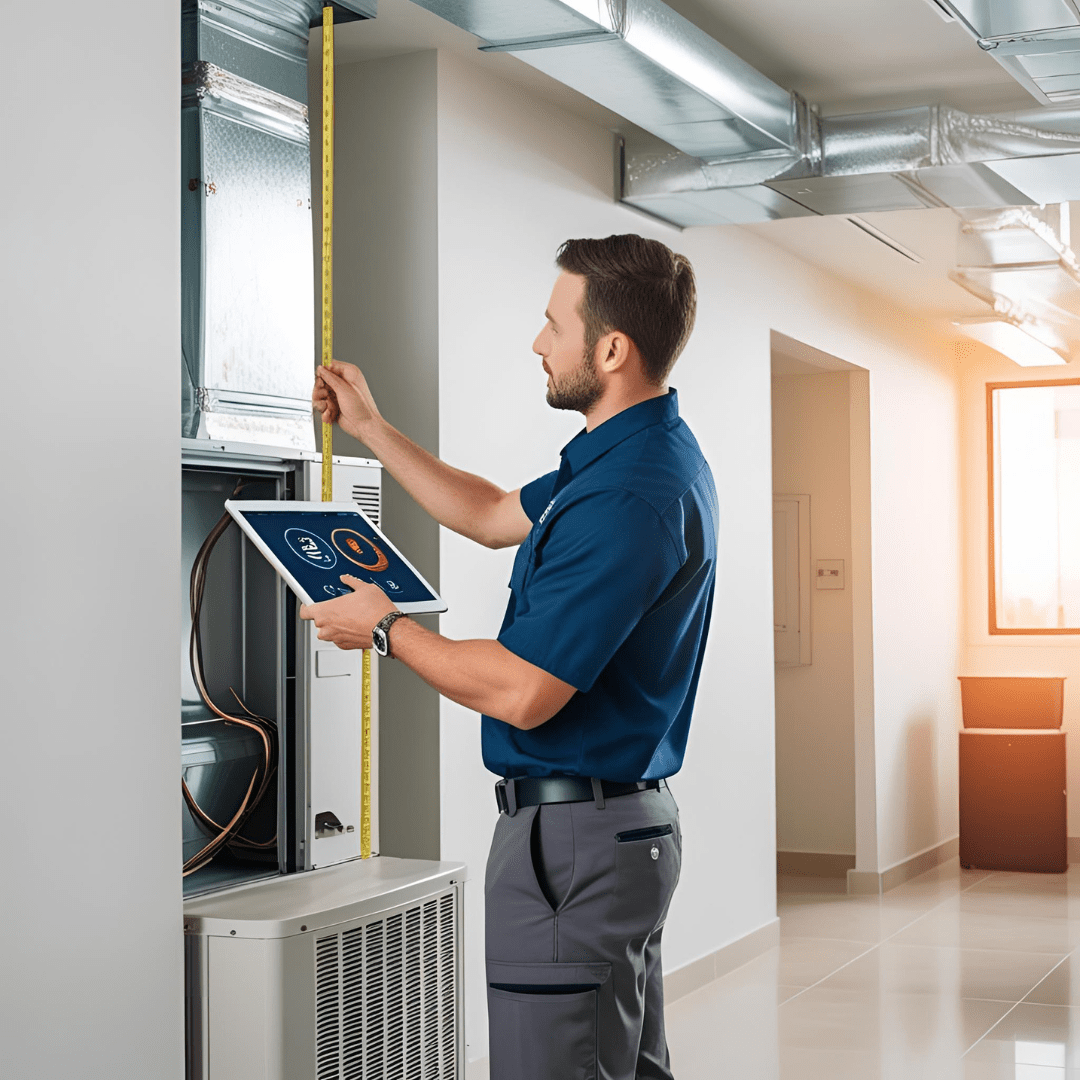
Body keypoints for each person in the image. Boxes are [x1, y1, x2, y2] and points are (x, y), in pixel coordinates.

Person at [303, 233, 717, 1080]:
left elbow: (526, 692)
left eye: (552, 324)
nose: (538, 343)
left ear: (610, 349)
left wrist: (387, 630)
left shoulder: (627, 497)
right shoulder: (630, 457)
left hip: (574, 847)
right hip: (612, 832)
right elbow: (492, 513)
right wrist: (371, 429)